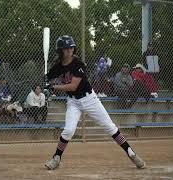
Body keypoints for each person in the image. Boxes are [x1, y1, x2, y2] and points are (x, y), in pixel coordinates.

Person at [43, 35, 145, 170]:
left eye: (71, 48)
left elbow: (73, 86)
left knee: (110, 127)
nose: (69, 50)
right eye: (66, 48)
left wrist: (53, 87)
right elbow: (48, 78)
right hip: (73, 102)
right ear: (60, 51)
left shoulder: (79, 64)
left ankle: (131, 154)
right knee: (68, 131)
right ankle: (56, 158)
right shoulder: (57, 66)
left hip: (90, 99)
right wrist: (45, 80)